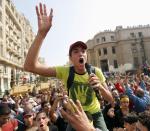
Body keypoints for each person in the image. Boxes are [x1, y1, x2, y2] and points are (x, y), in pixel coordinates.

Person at [24, 3, 113, 131]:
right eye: (76, 51)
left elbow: (110, 99)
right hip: (75, 115)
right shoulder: (65, 72)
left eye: (83, 51)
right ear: (71, 58)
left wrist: (100, 87)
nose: (81, 53)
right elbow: (29, 66)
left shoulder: (96, 71)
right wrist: (41, 34)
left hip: (95, 114)